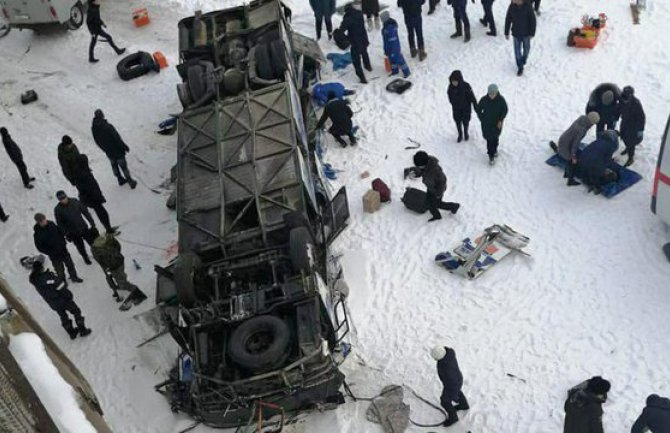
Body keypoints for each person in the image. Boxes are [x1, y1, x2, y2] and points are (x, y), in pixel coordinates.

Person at [29, 256, 91, 339]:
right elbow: (60, 285)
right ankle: (82, 329)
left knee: (63, 316)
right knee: (76, 311)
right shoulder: (48, 277)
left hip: (53, 303)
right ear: (41, 269)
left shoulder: (35, 281)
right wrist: (68, 295)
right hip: (63, 299)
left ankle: (71, 332)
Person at [91, 233, 147, 306]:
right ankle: (120, 286)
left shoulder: (95, 249)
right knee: (116, 278)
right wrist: (116, 255)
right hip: (118, 262)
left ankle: (138, 293)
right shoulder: (108, 238)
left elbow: (100, 261)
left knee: (122, 283)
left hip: (115, 265)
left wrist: (108, 265)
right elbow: (118, 246)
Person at [549, 112, 601, 186]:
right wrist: (573, 156)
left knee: (567, 154)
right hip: (566, 145)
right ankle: (570, 180)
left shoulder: (581, 119)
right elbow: (575, 144)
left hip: (563, 139)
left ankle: (558, 150)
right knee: (572, 162)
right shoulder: (582, 130)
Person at [91, 109, 137, 189]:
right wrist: (124, 146)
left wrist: (104, 149)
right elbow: (117, 138)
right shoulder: (108, 126)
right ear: (102, 115)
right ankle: (130, 182)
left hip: (108, 151)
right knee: (123, 166)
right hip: (117, 150)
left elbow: (97, 141)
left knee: (114, 165)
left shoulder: (94, 128)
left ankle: (120, 179)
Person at [33, 213, 83, 283]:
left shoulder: (51, 224)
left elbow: (60, 232)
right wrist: (50, 252)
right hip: (54, 256)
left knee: (70, 265)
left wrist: (63, 242)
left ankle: (74, 277)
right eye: (42, 221)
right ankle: (63, 282)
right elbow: (40, 247)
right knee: (60, 270)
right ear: (38, 222)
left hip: (63, 250)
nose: (45, 221)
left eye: (44, 219)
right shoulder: (37, 234)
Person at [72, 153, 115, 234]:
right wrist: (97, 195)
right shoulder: (82, 173)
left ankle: (108, 227)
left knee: (101, 212)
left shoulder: (80, 170)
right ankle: (108, 228)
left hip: (91, 196)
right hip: (92, 197)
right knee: (102, 212)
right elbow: (88, 187)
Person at [411, 151, 460, 221]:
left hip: (437, 190)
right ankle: (436, 213)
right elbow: (422, 171)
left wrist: (438, 194)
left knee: (436, 204)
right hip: (430, 187)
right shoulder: (426, 166)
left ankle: (453, 207)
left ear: (424, 163)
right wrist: (417, 174)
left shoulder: (436, 171)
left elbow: (442, 182)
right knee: (429, 202)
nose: (419, 167)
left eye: (419, 166)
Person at [54, 190, 96, 265]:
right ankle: (85, 257)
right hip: (73, 233)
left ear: (66, 196)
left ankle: (97, 254)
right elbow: (60, 224)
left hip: (83, 227)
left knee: (92, 242)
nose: (63, 200)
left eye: (64, 197)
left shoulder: (75, 201)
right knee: (80, 247)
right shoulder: (57, 210)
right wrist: (66, 234)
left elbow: (85, 212)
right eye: (61, 199)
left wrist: (92, 223)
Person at [431, 345, 469, 426]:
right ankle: (464, 405)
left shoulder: (447, 368)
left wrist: (454, 396)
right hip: (458, 378)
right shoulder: (449, 353)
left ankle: (453, 418)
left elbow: (452, 384)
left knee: (445, 401)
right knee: (458, 390)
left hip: (452, 384)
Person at [575, 130, 620, 194]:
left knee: (592, 166)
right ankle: (595, 185)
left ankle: (587, 178)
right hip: (592, 166)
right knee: (605, 175)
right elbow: (606, 161)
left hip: (581, 161)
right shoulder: (611, 146)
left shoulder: (598, 140)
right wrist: (611, 165)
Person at [476, 84, 508, 165]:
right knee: (489, 141)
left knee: (495, 139)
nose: (491, 96)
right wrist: (482, 119)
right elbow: (478, 109)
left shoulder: (501, 100)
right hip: (486, 125)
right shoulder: (484, 100)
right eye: (490, 94)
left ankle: (495, 149)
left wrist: (500, 120)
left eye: (493, 94)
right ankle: (491, 156)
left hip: (497, 124)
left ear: (497, 93)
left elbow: (505, 110)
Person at [341, 3, 372, 84]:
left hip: (355, 41)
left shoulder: (347, 19)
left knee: (356, 60)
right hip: (363, 38)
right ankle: (368, 66)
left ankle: (361, 77)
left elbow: (342, 30)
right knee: (364, 53)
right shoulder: (359, 14)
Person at [504, 0, 536, 76]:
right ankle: (520, 67)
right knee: (517, 52)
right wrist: (506, 32)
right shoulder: (512, 6)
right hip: (516, 33)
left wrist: (532, 33)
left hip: (526, 33)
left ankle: (524, 59)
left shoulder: (528, 6)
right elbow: (508, 19)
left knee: (526, 49)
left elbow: (532, 20)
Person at [618, 86, 645, 167]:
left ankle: (631, 158)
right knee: (624, 138)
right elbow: (619, 109)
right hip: (625, 123)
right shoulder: (622, 99)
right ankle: (627, 148)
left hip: (633, 127)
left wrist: (640, 129)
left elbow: (641, 117)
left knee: (631, 142)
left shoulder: (636, 103)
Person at [447, 70, 478, 142]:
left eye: (455, 81)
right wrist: (452, 102)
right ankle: (460, 134)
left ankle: (466, 132)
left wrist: (475, 105)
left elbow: (472, 97)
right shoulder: (450, 87)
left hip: (466, 108)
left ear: (459, 80)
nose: (454, 83)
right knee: (457, 121)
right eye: (452, 81)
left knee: (465, 121)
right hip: (456, 108)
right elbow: (449, 95)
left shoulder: (466, 86)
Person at [381, 12, 411, 78]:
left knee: (399, 60)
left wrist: (391, 49)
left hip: (393, 48)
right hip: (389, 48)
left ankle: (407, 72)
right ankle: (395, 71)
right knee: (392, 61)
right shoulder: (386, 26)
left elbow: (392, 40)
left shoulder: (390, 28)